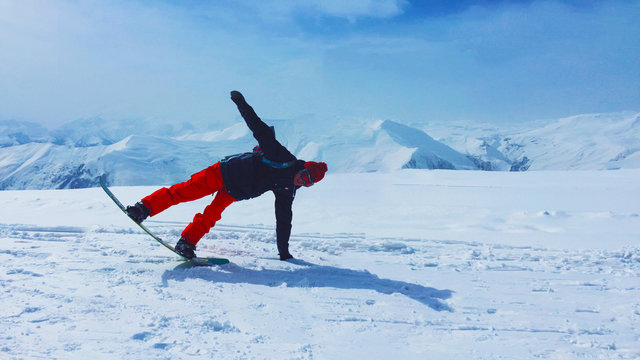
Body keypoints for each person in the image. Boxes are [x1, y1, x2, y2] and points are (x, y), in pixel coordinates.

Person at [124, 91, 327, 260]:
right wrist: (241, 103)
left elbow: (283, 219)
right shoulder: (281, 156)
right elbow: (258, 127)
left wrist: (284, 253)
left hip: (236, 191)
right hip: (224, 172)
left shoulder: (287, 190)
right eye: (305, 175)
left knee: (211, 215)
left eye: (308, 182)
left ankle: (187, 243)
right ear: (303, 167)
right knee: (184, 192)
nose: (303, 180)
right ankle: (143, 209)